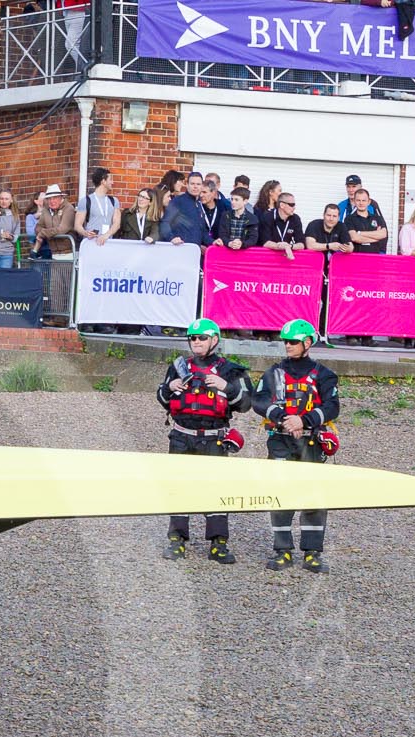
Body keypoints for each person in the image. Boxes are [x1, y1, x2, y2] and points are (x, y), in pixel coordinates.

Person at [157, 317, 252, 563]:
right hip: (181, 437)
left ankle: (218, 543)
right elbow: (161, 396)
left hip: (214, 439)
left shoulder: (230, 370)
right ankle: (177, 540)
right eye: (192, 338)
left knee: (217, 489)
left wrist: (226, 388)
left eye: (201, 338)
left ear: (214, 340)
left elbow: (246, 404)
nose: (196, 342)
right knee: (179, 489)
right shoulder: (178, 367)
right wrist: (170, 388)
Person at [257, 320, 341, 574]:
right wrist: (285, 419)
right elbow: (259, 401)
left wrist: (303, 420)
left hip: (311, 441)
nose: (288, 346)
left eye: (293, 341)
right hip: (280, 439)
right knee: (281, 494)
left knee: (313, 495)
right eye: (285, 342)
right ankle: (282, 551)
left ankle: (313, 553)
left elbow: (332, 406)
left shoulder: (325, 375)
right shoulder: (273, 373)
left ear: (307, 343)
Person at [74, 170, 118, 250]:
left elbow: (117, 223)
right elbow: (77, 225)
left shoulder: (114, 201)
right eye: (110, 179)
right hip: (90, 244)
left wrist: (106, 235)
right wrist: (86, 233)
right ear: (103, 181)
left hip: (108, 244)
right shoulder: (86, 200)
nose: (113, 182)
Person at [259, 190, 304, 259]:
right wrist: (283, 246)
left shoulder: (296, 218)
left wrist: (289, 246)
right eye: (291, 205)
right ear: (282, 205)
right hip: (268, 257)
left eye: (294, 205)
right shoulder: (267, 217)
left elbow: (301, 244)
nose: (294, 208)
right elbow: (265, 243)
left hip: (285, 258)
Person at [344, 186, 389, 254]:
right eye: (358, 200)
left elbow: (383, 234)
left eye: (364, 200)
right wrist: (376, 238)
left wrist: (360, 233)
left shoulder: (377, 218)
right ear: (355, 202)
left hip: (374, 258)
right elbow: (354, 238)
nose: (361, 203)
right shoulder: (349, 219)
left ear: (368, 202)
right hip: (356, 258)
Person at [218, 186, 259, 250]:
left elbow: (253, 239)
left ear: (245, 201)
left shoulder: (252, 218)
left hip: (244, 254)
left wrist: (242, 244)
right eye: (232, 199)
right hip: (227, 252)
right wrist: (229, 243)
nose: (233, 202)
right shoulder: (225, 215)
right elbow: (222, 234)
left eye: (236, 200)